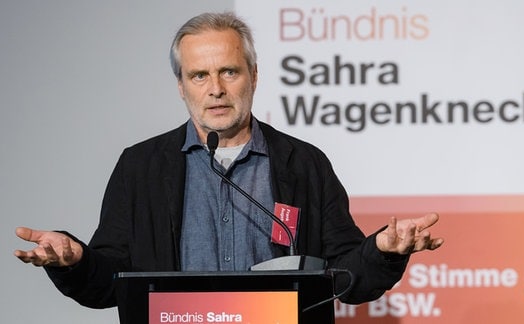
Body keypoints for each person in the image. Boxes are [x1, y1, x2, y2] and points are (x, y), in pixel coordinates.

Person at [14, 11, 443, 310]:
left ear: (253, 77)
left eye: (229, 72)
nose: (215, 88)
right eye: (199, 75)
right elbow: (109, 283)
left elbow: (346, 279)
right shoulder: (140, 167)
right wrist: (74, 260)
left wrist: (383, 251)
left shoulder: (304, 164)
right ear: (181, 86)